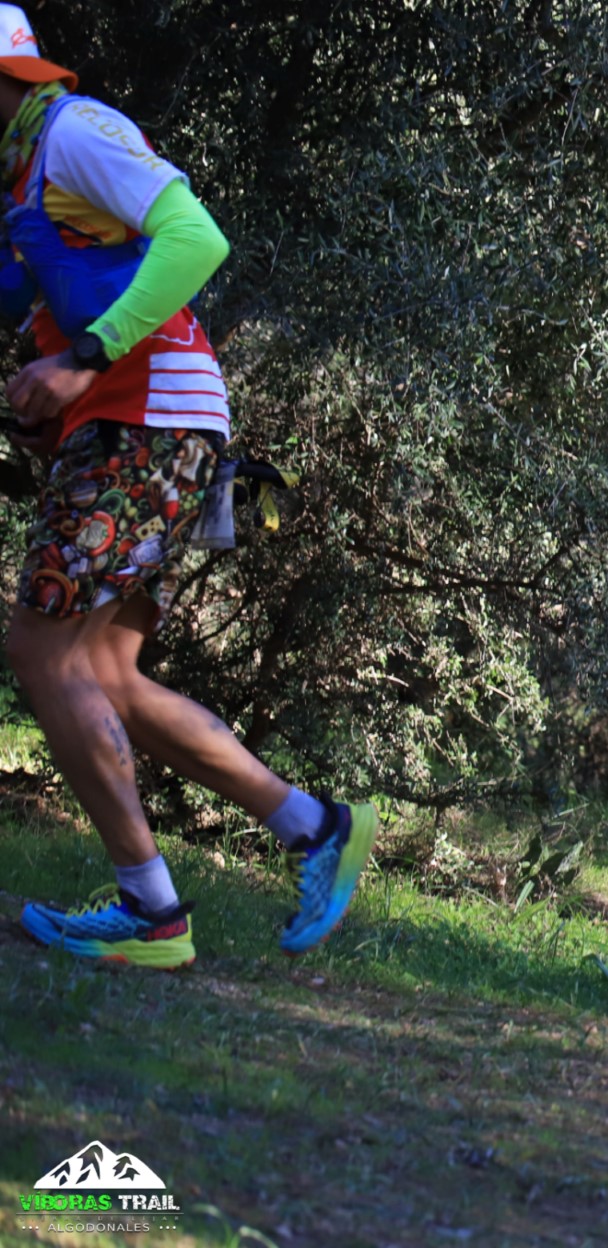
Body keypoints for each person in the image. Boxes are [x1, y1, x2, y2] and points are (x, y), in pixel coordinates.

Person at [0, 7, 375, 969]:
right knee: (107, 672)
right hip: (144, 425)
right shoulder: (20, 173)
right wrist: (51, 386)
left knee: (40, 651)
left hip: (149, 421)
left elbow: (196, 237)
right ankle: (316, 827)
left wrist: (84, 360)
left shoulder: (72, 133)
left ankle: (152, 911)